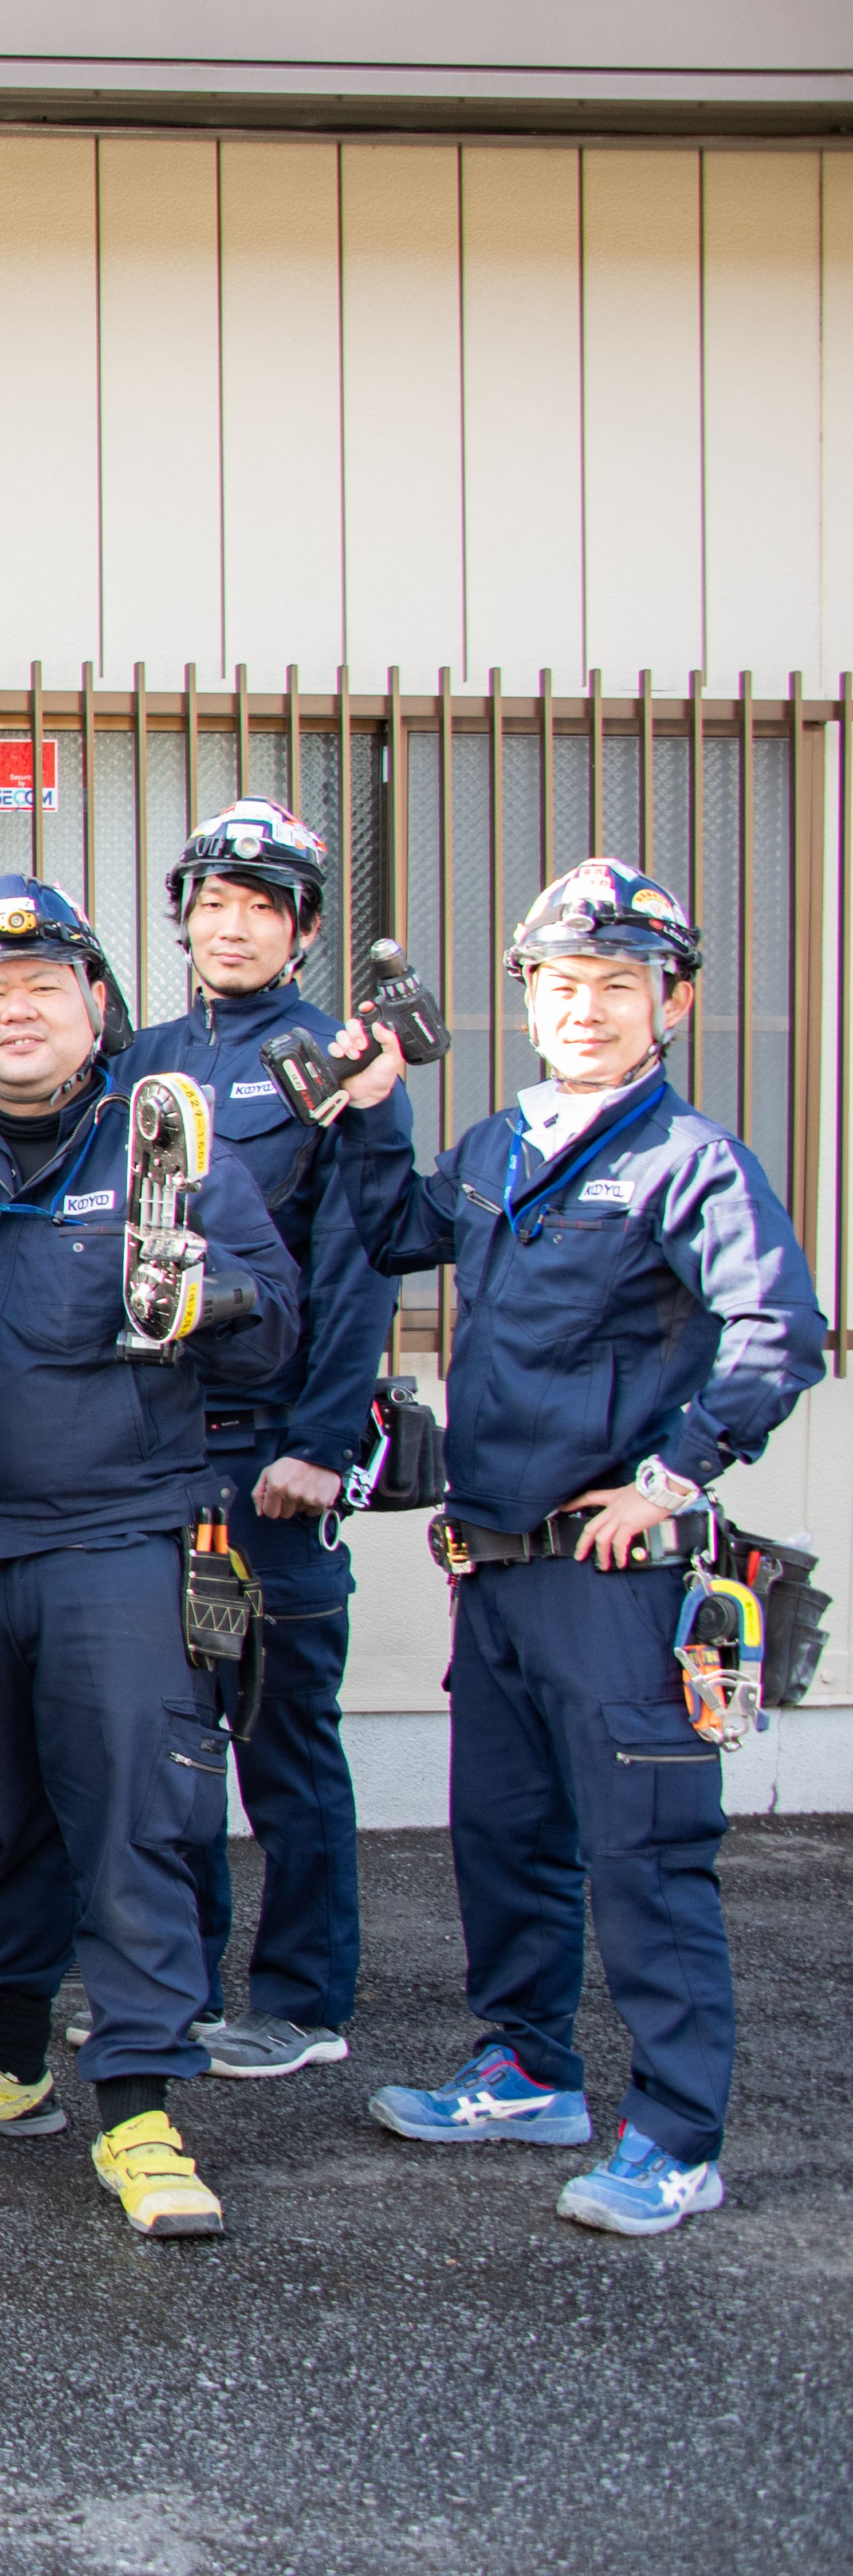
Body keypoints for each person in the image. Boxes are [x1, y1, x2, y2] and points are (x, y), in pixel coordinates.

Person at [328, 862, 823, 2237]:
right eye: (560, 985)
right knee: (506, 1839)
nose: (585, 1009)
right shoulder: (497, 1145)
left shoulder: (690, 1161)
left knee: (645, 1858)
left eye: (616, 984)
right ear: (527, 998)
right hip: (494, 1567)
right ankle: (525, 2068)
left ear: (673, 1002)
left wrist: (669, 1479)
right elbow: (393, 1231)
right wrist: (372, 1107)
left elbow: (778, 1330)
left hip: (617, 1580)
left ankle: (674, 2135)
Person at [0, 877, 297, 2243]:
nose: (16, 1011)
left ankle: (141, 2108)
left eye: (43, 988)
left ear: (96, 1007)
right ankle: (7, 2062)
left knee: (129, 1823)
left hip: (116, 1546)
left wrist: (208, 1291)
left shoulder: (165, 1145)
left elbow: (276, 1319)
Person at [121, 801, 417, 2081]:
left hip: (270, 1455)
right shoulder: (138, 1056)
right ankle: (174, 1981)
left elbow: (357, 1265)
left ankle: (300, 1998)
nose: (231, 926)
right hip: (149, 1450)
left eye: (262, 906)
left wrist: (321, 1441)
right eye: (212, 903)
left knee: (282, 1736)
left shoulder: (327, 1061)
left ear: (301, 930)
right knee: (168, 1731)